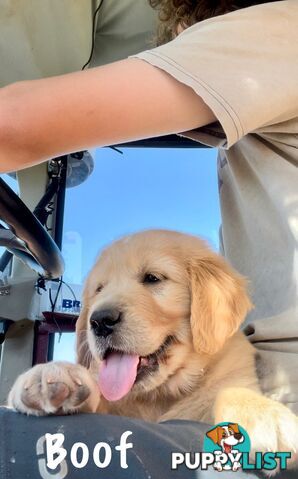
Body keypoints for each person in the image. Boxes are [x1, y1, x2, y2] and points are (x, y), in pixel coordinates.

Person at [0, 0, 297, 415]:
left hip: (280, 397)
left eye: (154, 277)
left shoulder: (273, 29)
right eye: (98, 290)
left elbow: (13, 125)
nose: (102, 311)